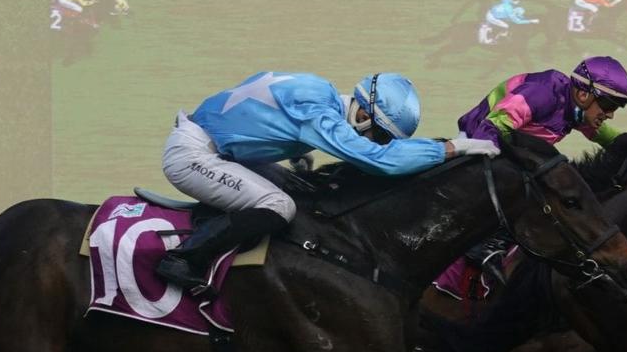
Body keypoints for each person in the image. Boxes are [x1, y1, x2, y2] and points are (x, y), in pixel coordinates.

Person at [155, 71, 500, 294]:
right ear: (364, 114)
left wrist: (285, 148)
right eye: (378, 134)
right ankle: (185, 259)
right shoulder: (318, 107)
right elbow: (377, 161)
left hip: (219, 148)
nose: (376, 142)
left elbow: (254, 109)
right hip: (194, 155)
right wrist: (451, 148)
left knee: (301, 194)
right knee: (279, 206)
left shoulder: (321, 93)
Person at [455, 56, 627, 276]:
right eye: (607, 104)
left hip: (510, 152)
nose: (610, 114)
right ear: (583, 93)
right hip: (477, 139)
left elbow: (613, 140)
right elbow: (491, 128)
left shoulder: (576, 110)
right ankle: (480, 247)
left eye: (616, 107)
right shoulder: (544, 93)